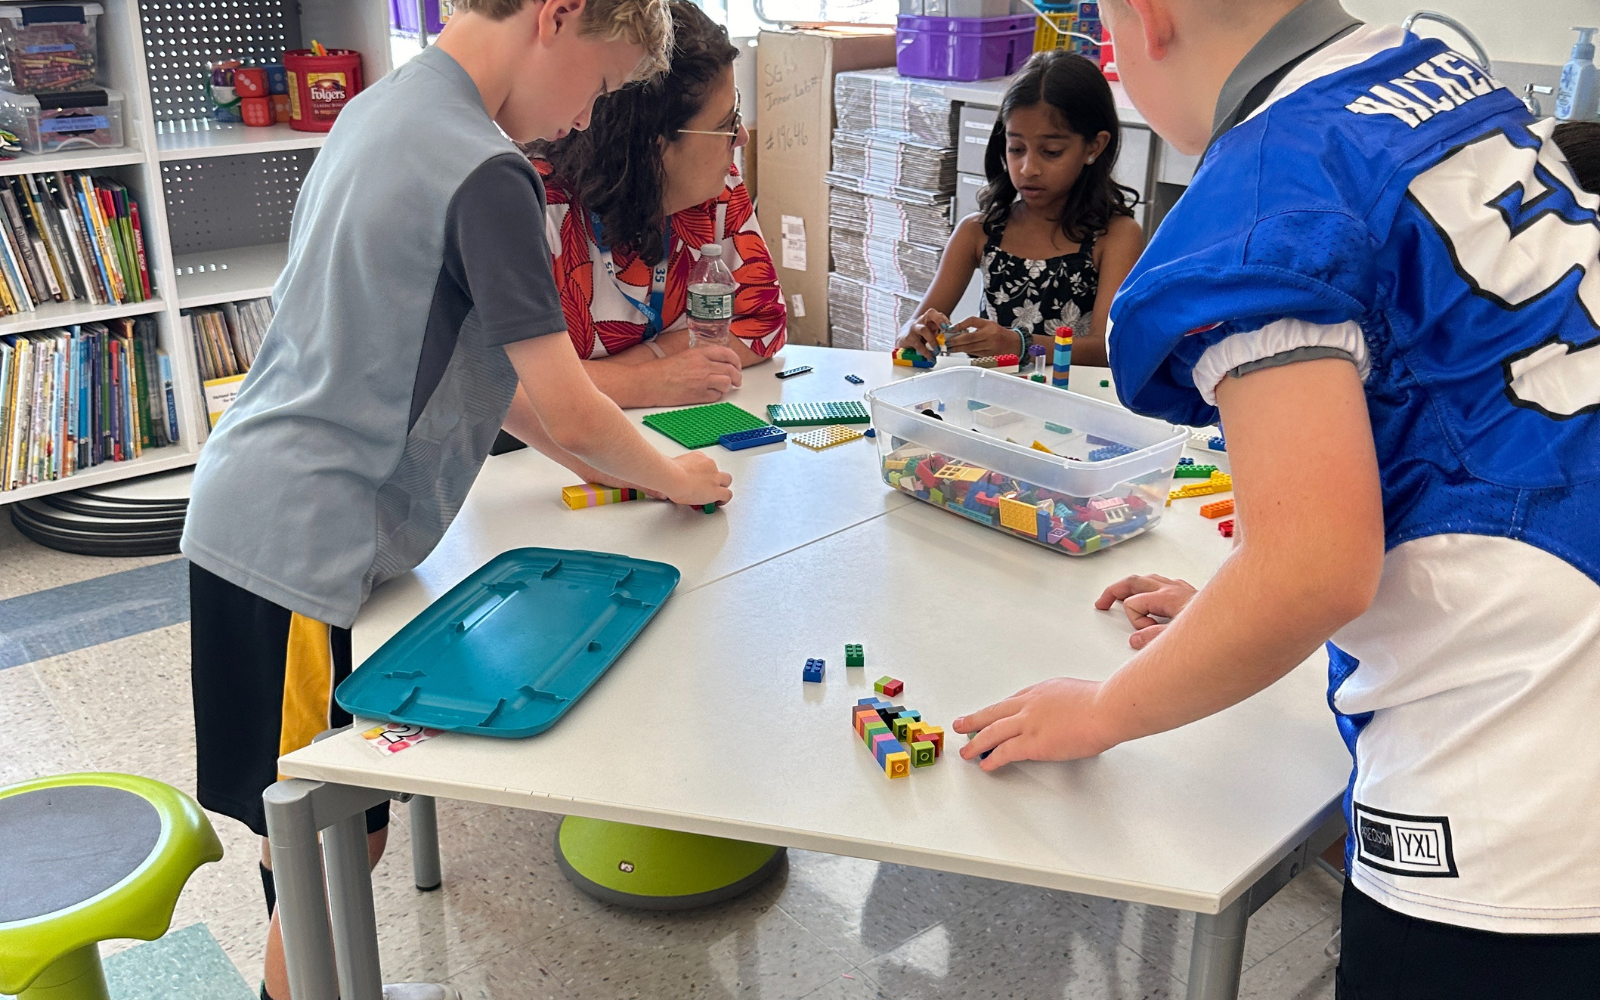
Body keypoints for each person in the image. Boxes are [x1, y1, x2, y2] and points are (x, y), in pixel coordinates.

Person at [951, 0, 1600, 996]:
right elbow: (1450, 412)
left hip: (1515, 784)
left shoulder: (1261, 194)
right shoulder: (1433, 70)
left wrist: (1108, 709)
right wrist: (1233, 601)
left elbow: (1311, 569)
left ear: (1148, 17)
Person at [178, 1, 732, 998]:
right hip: (301, 539)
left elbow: (508, 389)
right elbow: (564, 395)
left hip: (257, 509)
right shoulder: (485, 168)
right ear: (556, 18)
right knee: (328, 831)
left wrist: (601, 464)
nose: (580, 118)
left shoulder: (382, 110)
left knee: (315, 819)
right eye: (599, 85)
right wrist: (678, 472)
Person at [532, 0, 784, 409]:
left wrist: (649, 362)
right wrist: (644, 384)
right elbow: (505, 388)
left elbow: (762, 325)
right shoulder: (537, 210)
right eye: (725, 125)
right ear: (654, 148)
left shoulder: (715, 191)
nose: (741, 139)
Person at [896, 51, 1142, 368]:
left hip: (1072, 404)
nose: (1028, 168)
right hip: (989, 404)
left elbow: (1105, 350)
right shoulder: (978, 231)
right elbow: (910, 328)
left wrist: (1019, 344)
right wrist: (914, 333)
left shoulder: (1115, 236)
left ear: (1094, 147)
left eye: (1051, 151)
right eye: (1016, 149)